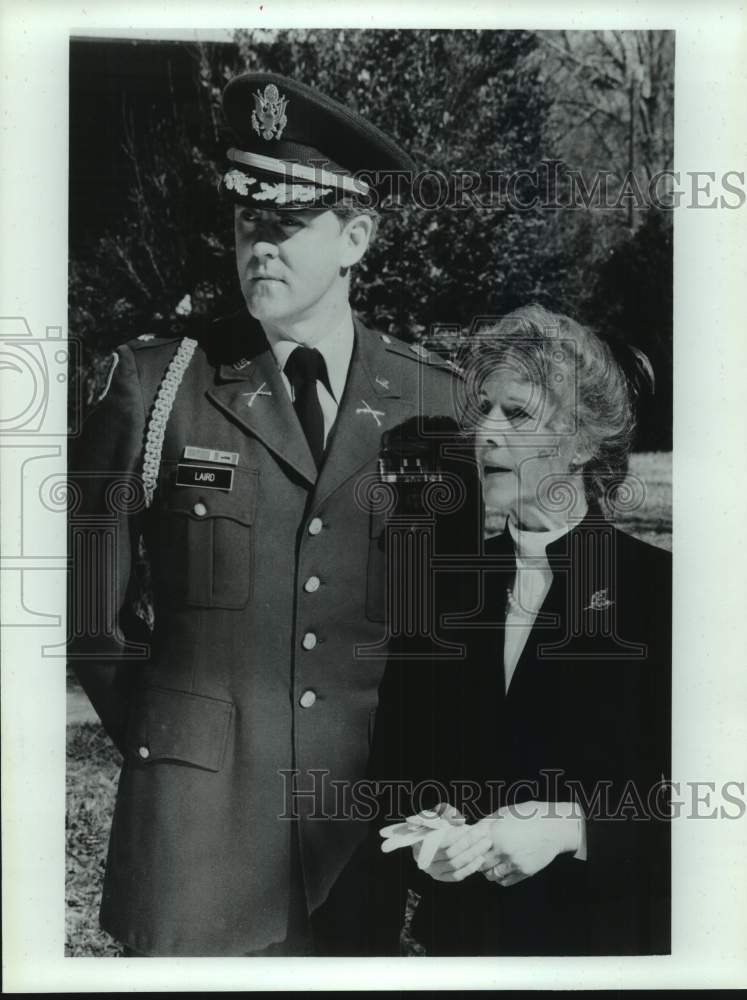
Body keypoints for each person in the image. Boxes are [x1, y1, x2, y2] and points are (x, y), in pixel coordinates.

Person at [67, 72, 471, 957]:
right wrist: (176, 741)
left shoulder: (430, 402)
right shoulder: (157, 384)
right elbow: (88, 612)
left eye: (287, 224)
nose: (260, 245)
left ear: (355, 237)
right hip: (193, 837)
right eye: (248, 219)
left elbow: (447, 630)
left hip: (358, 837)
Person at [370, 304, 671, 955]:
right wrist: (428, 832)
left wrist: (570, 829)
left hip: (603, 952)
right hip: (465, 947)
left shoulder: (663, 593)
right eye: (483, 410)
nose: (485, 433)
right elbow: (400, 758)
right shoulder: (444, 588)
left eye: (516, 414)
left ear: (582, 443)